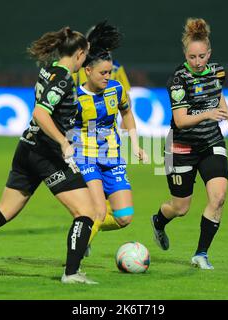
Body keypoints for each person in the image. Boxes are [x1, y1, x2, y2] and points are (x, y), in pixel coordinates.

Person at [0, 26, 99, 284]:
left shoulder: (50, 69)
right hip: (46, 154)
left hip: (26, 148)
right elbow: (40, 113)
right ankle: (71, 273)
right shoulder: (64, 78)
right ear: (78, 54)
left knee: (4, 211)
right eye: (85, 55)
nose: (85, 61)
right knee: (86, 212)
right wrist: (62, 142)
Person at [150, 18, 228, 269]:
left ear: (209, 54)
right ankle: (159, 221)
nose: (197, 62)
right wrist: (207, 114)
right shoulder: (178, 80)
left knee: (219, 197)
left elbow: (217, 94)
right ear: (185, 55)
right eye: (192, 57)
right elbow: (180, 121)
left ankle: (201, 254)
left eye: (202, 56)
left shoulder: (217, 71)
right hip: (180, 148)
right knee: (180, 208)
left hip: (211, 142)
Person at [70, 21, 147, 255]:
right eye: (103, 73)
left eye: (110, 72)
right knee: (98, 211)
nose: (108, 76)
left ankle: (85, 228)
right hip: (85, 157)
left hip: (112, 157)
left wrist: (136, 144)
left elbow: (127, 112)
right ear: (88, 70)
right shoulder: (74, 97)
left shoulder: (116, 89)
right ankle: (77, 254)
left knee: (125, 218)